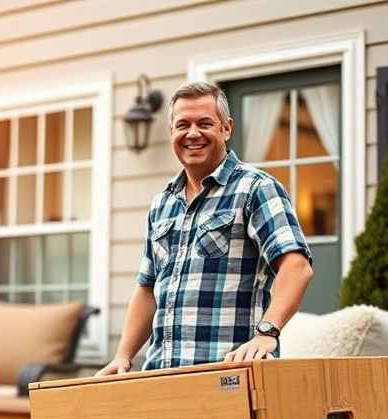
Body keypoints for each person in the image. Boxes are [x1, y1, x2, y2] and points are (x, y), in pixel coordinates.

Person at [97, 81, 313, 375]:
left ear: (226, 128)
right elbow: (147, 289)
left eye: (205, 123)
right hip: (159, 376)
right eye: (182, 124)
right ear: (171, 132)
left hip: (229, 375)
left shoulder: (256, 189)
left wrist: (267, 333)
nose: (193, 133)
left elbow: (296, 266)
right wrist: (123, 355)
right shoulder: (162, 203)